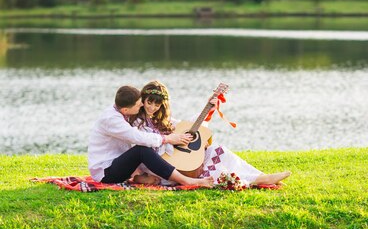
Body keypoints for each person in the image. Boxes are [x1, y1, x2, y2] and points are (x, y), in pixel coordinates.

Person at [128, 80, 291, 187]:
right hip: (157, 164)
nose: (153, 107)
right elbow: (143, 142)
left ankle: (260, 176)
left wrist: (207, 109)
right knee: (211, 169)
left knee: (218, 151)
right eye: (150, 102)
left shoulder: (163, 119)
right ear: (143, 100)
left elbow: (187, 126)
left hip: (177, 158)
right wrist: (171, 140)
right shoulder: (137, 121)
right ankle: (255, 181)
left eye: (157, 104)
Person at [87, 85, 214, 188]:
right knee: (141, 150)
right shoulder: (111, 120)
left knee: (143, 151)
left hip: (119, 165)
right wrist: (167, 139)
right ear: (126, 110)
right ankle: (187, 181)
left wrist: (208, 109)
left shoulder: (122, 112)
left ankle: (140, 177)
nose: (142, 105)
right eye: (139, 104)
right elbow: (138, 137)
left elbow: (181, 125)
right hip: (106, 172)